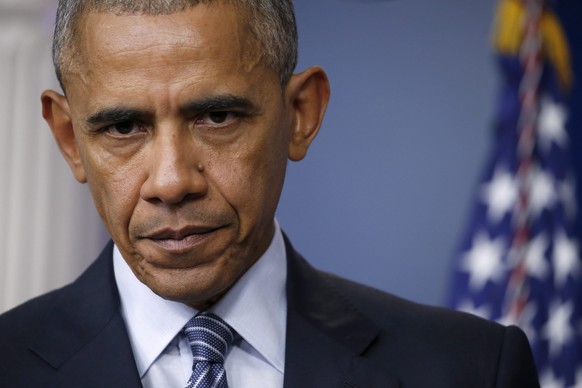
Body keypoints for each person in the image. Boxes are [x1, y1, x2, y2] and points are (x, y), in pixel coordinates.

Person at [0, 1, 540, 387]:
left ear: (301, 114)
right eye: (122, 128)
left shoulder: (470, 369)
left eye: (216, 116)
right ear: (69, 138)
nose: (171, 181)